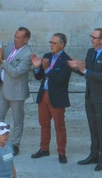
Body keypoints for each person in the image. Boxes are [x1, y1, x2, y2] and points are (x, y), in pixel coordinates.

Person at [69, 28, 102, 171]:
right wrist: (74, 67)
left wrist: (85, 71)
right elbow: (86, 72)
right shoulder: (91, 52)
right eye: (91, 37)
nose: (92, 39)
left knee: (101, 128)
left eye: (94, 37)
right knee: (92, 127)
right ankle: (93, 154)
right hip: (90, 95)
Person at [0, 27, 33, 156]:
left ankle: (16, 144)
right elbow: (3, 61)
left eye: (18, 38)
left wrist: (3, 60)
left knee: (17, 119)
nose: (15, 39)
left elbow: (16, 72)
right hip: (3, 87)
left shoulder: (28, 54)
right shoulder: (11, 46)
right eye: (15, 36)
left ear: (26, 40)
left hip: (16, 91)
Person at [31, 32, 72, 163]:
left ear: (62, 44)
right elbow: (39, 77)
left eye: (54, 43)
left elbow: (60, 80)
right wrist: (37, 68)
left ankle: (61, 152)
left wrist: (47, 69)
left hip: (57, 97)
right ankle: (44, 148)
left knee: (59, 125)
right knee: (43, 123)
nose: (51, 45)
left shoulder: (67, 60)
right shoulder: (47, 56)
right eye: (50, 42)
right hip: (44, 94)